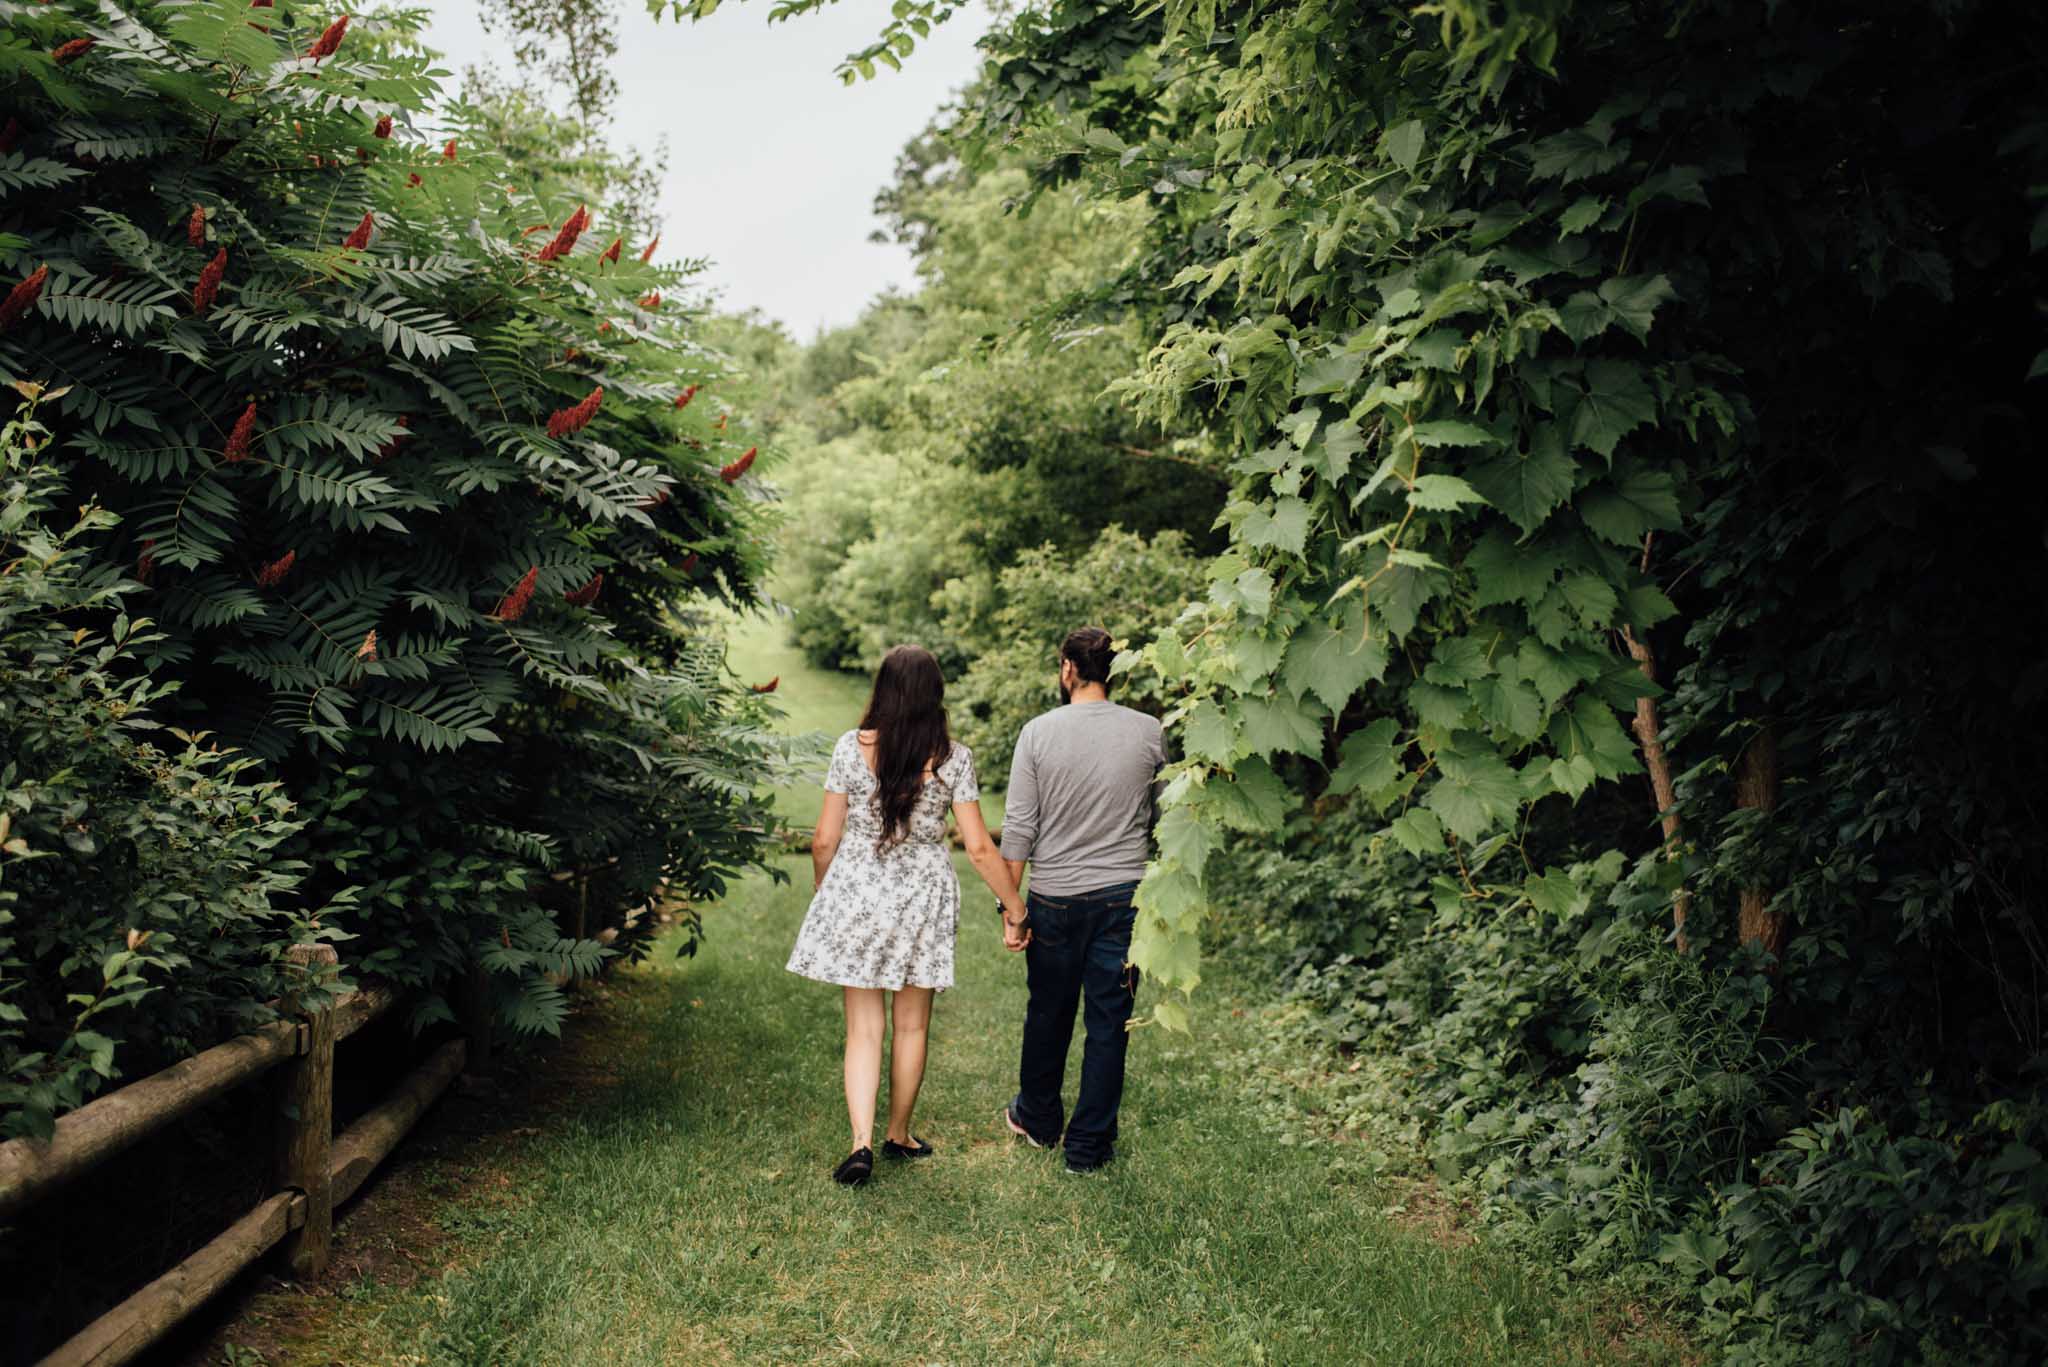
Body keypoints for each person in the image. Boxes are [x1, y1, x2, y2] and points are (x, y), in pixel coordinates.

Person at [786, 643, 1030, 1186]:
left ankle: (861, 1142)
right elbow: (981, 849)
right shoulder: (952, 758)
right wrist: (1015, 908)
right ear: (934, 696)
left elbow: (824, 838)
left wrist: (827, 889)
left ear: (883, 690)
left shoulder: (851, 748)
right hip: (922, 895)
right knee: (913, 1023)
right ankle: (898, 1132)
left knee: (863, 1029)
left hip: (858, 888)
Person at [999, 626, 1166, 1174]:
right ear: (1112, 671)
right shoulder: (1150, 731)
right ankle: (1087, 1148)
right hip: (1126, 898)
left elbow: (1020, 828)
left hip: (1055, 898)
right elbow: (1164, 819)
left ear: (1069, 668)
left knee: (1048, 1011)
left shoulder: (1038, 733)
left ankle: (1039, 1121)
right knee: (1108, 1021)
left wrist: (1012, 910)